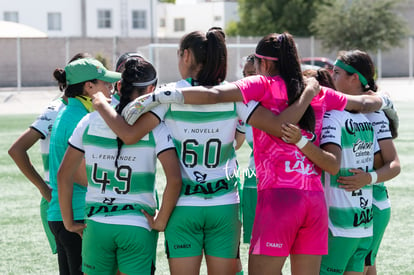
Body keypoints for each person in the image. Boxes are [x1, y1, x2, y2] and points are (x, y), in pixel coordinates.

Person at [118, 32, 396, 275]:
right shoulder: (318, 91)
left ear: (263, 63)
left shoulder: (262, 85)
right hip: (314, 203)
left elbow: (215, 95)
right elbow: (362, 102)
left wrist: (162, 96)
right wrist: (383, 99)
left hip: (278, 200)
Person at [281, 50, 400, 275]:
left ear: (354, 77)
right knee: (363, 265)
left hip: (368, 204)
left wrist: (368, 177)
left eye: (337, 73)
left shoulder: (368, 114)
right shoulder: (347, 111)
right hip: (358, 208)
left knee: (366, 265)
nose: (333, 78)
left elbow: (392, 163)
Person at [58, 58, 182, 274]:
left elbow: (63, 176)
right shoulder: (155, 128)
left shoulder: (88, 122)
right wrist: (160, 221)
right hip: (137, 225)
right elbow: (174, 180)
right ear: (151, 90)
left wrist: (69, 222)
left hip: (96, 224)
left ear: (119, 86)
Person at [8, 52, 92, 257]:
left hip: (69, 199)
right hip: (67, 200)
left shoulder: (77, 109)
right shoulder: (59, 110)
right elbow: (16, 150)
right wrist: (43, 188)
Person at [48, 57, 121, 275]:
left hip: (63, 215)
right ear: (89, 87)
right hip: (76, 216)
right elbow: (81, 176)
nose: (110, 88)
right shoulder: (78, 118)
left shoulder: (70, 111)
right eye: (105, 83)